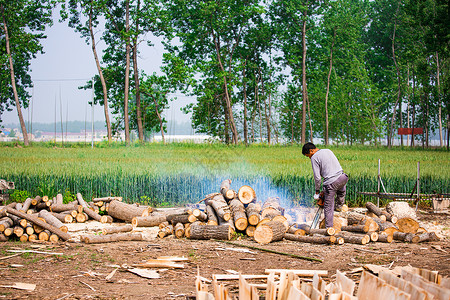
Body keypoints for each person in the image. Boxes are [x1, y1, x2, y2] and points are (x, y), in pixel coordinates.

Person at [302, 142, 348, 228]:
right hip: (343, 177)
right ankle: (339, 206)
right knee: (341, 192)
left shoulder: (314, 157)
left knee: (328, 207)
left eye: (308, 155)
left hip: (331, 182)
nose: (309, 157)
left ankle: (329, 228)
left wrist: (317, 191)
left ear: (311, 150)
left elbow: (317, 177)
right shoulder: (328, 150)